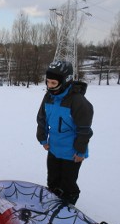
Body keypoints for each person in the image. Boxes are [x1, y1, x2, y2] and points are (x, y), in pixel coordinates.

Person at [36, 60, 94, 205]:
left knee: (68, 183)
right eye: (47, 82)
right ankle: (53, 205)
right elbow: (41, 118)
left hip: (72, 153)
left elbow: (84, 130)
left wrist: (80, 151)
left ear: (66, 81)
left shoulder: (78, 101)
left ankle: (68, 205)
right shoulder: (48, 97)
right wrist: (42, 138)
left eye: (53, 83)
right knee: (53, 180)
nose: (49, 86)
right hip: (54, 148)